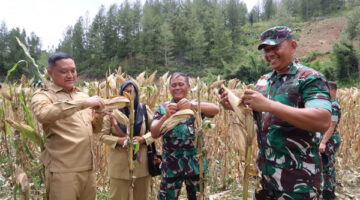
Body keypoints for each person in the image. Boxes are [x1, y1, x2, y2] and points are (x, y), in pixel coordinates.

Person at [220, 26, 332, 200]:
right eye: (266, 50)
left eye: (275, 47)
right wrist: (236, 106)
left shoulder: (309, 78)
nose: (270, 53)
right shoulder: (264, 81)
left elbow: (322, 120)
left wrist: (270, 105)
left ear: (293, 45)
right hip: (266, 178)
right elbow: (261, 115)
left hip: (298, 181)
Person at [31, 52, 106, 200]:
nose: (70, 75)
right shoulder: (43, 96)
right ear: (50, 73)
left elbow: (95, 130)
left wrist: (98, 116)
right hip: (63, 171)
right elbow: (43, 114)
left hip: (88, 169)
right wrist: (83, 104)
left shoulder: (83, 96)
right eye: (64, 71)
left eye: (73, 70)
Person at [151, 72, 220, 200]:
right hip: (171, 166)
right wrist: (166, 116)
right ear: (169, 88)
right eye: (173, 85)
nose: (177, 88)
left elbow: (216, 109)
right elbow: (154, 133)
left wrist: (192, 105)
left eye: (181, 84)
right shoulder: (163, 108)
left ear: (188, 86)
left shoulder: (196, 104)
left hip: (196, 165)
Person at [99, 80, 154, 200]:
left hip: (141, 166)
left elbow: (155, 132)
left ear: (137, 93)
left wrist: (143, 139)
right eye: (127, 91)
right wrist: (120, 140)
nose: (130, 94)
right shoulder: (112, 111)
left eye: (133, 91)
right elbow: (102, 135)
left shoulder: (144, 109)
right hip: (120, 166)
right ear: (121, 93)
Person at [319, 81, 341, 200]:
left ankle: (328, 195)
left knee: (328, 167)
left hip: (330, 140)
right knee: (328, 167)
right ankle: (329, 193)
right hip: (329, 139)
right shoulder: (329, 104)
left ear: (332, 90)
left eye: (326, 89)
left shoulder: (333, 105)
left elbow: (332, 125)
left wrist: (323, 142)